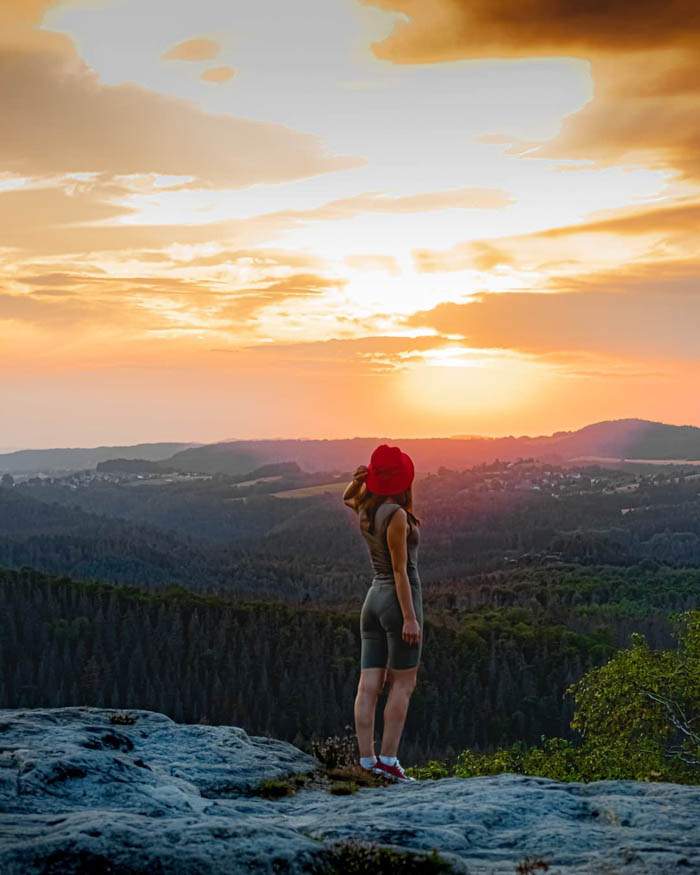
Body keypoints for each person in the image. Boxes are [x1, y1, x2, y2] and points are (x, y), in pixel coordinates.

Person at [342, 443, 423, 782]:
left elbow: (347, 497)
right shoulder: (397, 516)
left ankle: (366, 762)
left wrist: (358, 480)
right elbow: (400, 570)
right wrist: (409, 617)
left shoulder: (364, 508)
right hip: (396, 598)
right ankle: (389, 761)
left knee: (368, 685)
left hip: (371, 599)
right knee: (403, 683)